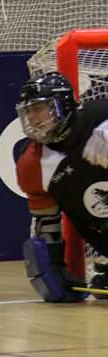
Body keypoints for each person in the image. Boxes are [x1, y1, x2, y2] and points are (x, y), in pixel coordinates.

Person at [15, 71, 108, 301]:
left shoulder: (101, 113)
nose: (32, 118)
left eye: (38, 108)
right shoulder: (32, 165)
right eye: (28, 111)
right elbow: (47, 225)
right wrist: (51, 271)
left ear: (62, 105)